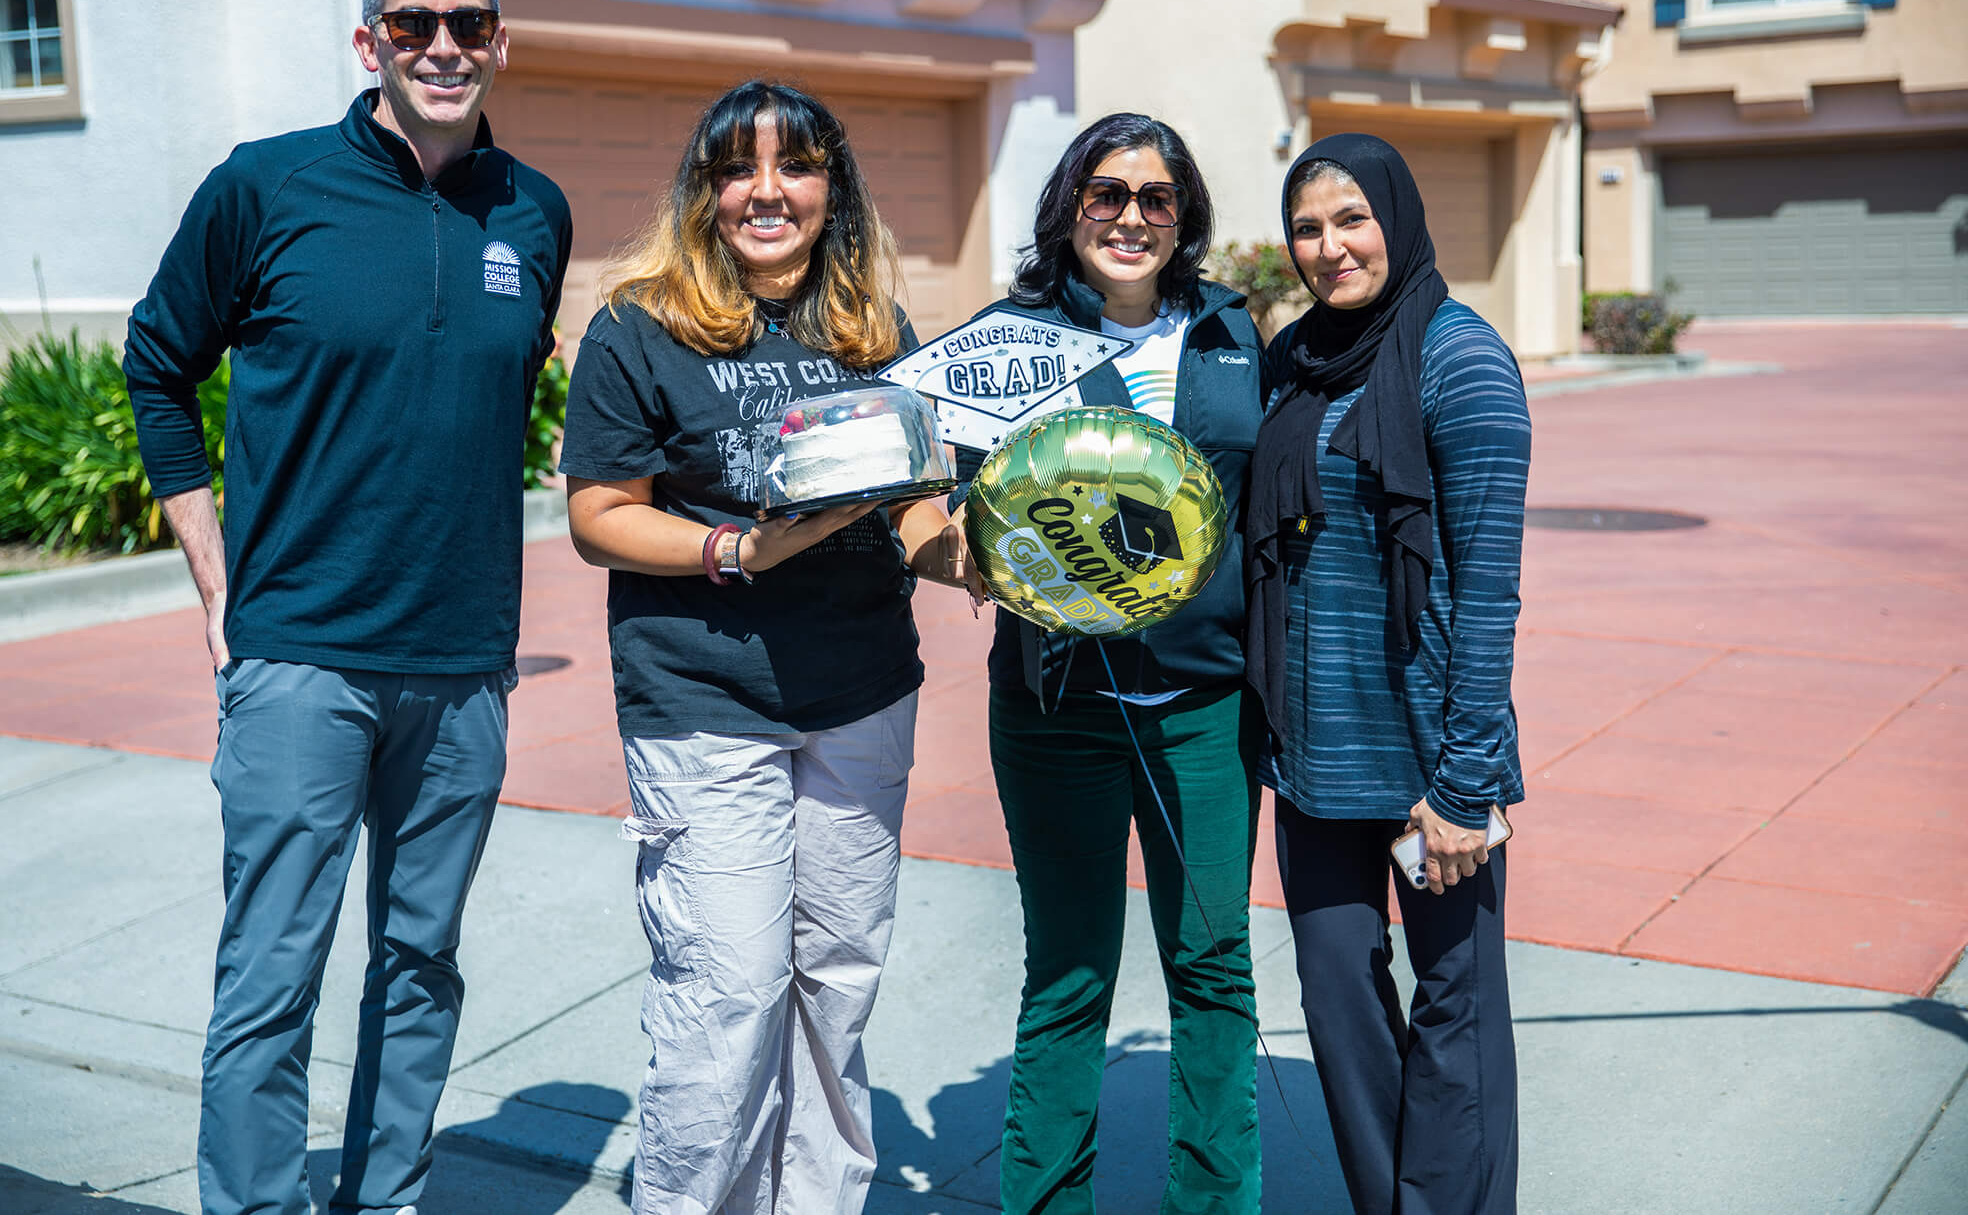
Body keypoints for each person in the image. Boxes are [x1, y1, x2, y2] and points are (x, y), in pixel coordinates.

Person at [122, 0, 571, 1215]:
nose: (443, 47)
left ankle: (386, 1198)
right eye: (414, 24)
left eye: (468, 25)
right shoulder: (265, 187)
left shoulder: (532, 209)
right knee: (272, 973)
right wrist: (215, 578)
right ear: (368, 40)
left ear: (499, 40)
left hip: (464, 663)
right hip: (300, 657)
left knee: (422, 962)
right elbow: (159, 362)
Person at [557, 79, 973, 1214]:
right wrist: (739, 552)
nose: (765, 190)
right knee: (726, 994)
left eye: (794, 165)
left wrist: (978, 560)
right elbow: (599, 515)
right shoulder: (639, 322)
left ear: (832, 187)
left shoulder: (876, 331)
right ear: (704, 189)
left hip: (860, 694)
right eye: (738, 167)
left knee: (835, 986)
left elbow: (914, 508)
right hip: (704, 702)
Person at [954, 113, 1266, 1213]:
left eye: (1155, 198)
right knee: (1070, 976)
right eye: (1105, 193)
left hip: (1204, 711)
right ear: (1067, 205)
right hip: (1057, 712)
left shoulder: (1234, 334)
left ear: (1183, 217)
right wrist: (961, 550)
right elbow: (935, 495)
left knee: (1214, 971)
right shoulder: (1008, 337)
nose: (1129, 216)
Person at [1244, 133, 1530, 1214]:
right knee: (1338, 1005)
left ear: (1396, 220)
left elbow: (1490, 592)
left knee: (1452, 1012)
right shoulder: (1293, 360)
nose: (1328, 246)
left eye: (1350, 219)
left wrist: (1462, 784)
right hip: (1312, 756)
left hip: (1426, 763)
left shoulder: (1460, 358)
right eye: (1307, 227)